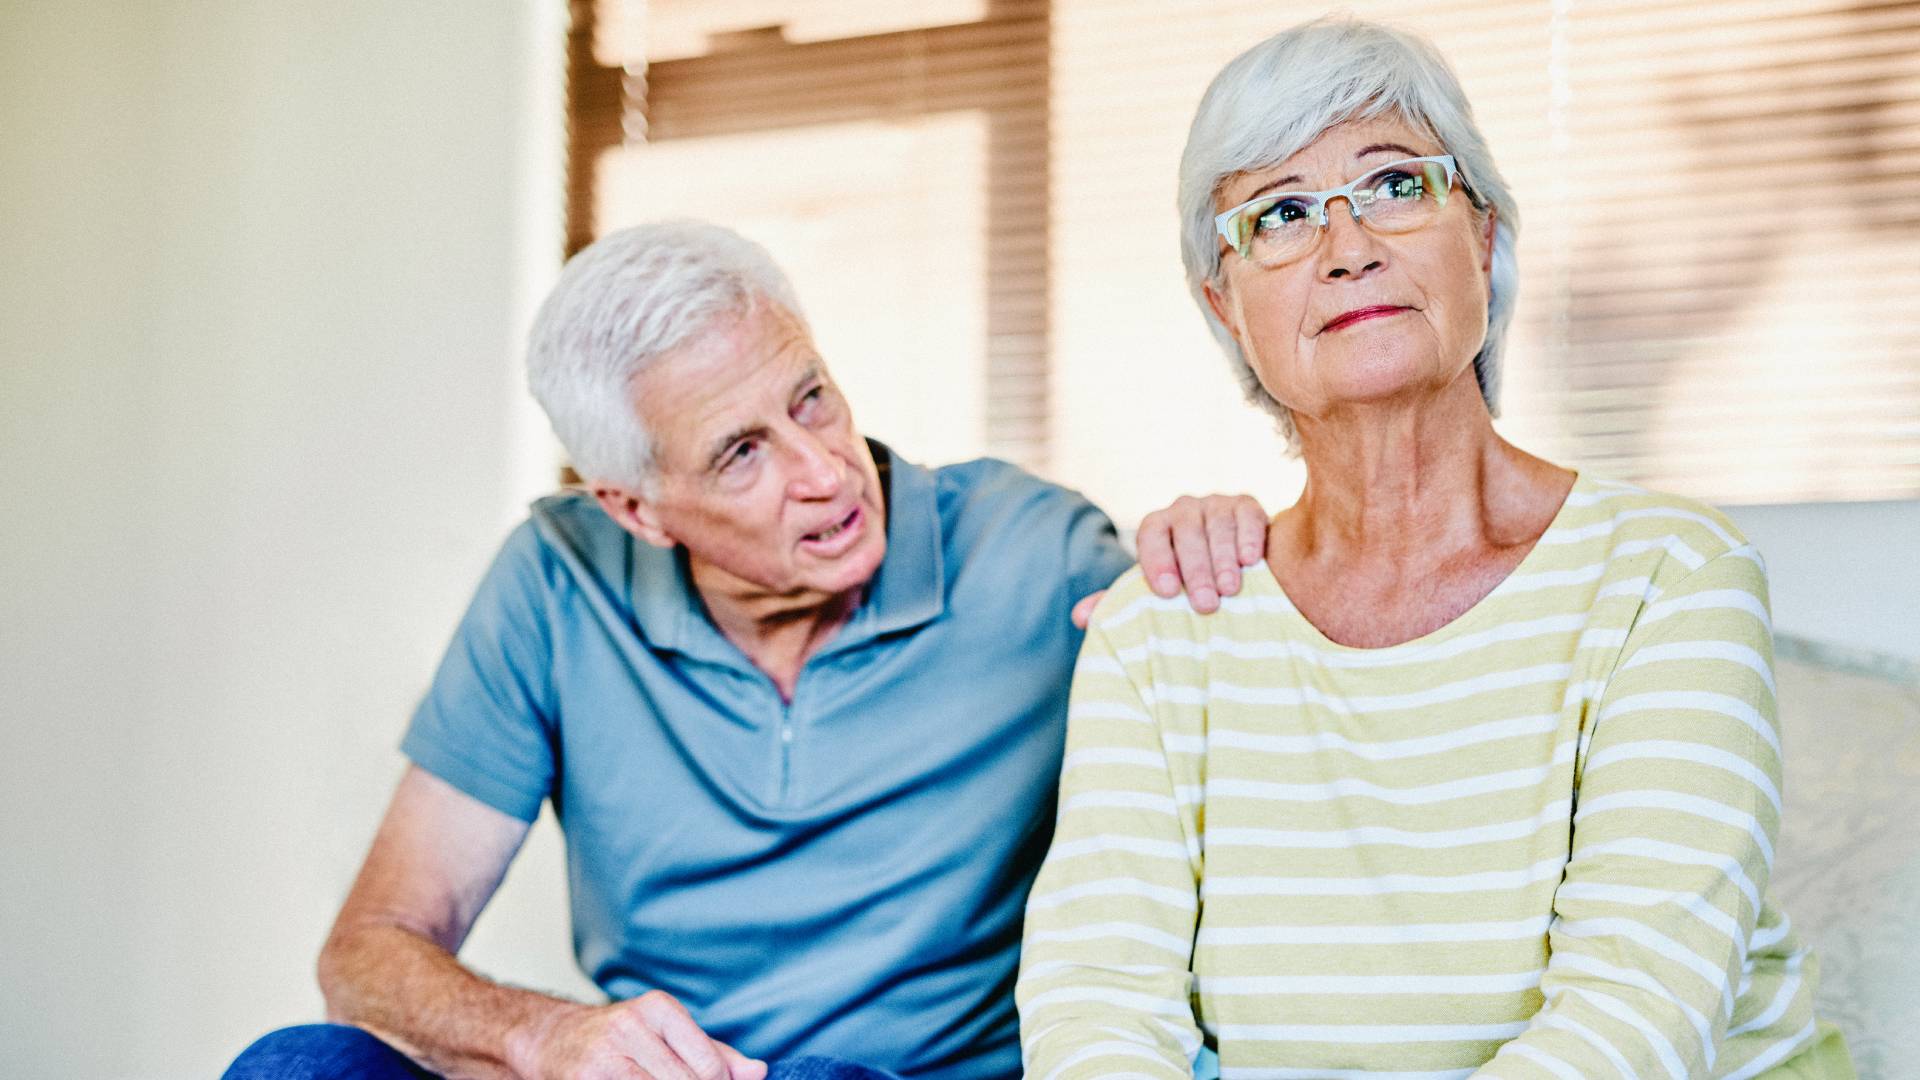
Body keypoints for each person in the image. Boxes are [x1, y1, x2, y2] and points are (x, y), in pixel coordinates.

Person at [223, 221, 1267, 1080]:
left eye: (810, 396)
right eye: (741, 454)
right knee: (298, 1067)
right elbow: (367, 954)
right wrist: (551, 1038)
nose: (824, 471)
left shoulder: (1027, 549)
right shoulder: (556, 579)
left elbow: (1256, 696)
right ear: (636, 509)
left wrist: (1226, 552)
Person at [1017, 18, 1854, 1080]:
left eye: (1396, 187)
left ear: (1486, 238)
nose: (1348, 248)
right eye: (1280, 215)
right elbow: (1097, 1009)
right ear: (1224, 307)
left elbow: (1633, 1020)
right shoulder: (1162, 628)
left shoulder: (1669, 579)